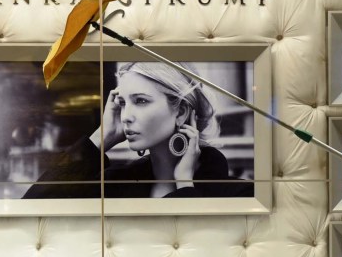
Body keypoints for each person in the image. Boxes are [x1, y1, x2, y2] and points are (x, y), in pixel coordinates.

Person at [23, 62, 253, 199]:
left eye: (141, 101)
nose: (126, 116)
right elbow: (35, 207)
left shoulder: (239, 193)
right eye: (122, 103)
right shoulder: (115, 185)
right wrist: (100, 139)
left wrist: (184, 183)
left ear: (181, 111)